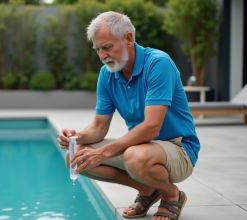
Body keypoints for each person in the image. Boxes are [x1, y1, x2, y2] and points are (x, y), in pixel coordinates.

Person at [57, 11, 200, 220]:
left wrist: (104, 152)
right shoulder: (107, 74)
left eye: (107, 47)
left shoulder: (158, 64)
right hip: (141, 148)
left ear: (128, 39)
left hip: (179, 148)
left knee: (134, 156)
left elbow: (152, 127)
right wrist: (77, 137)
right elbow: (99, 127)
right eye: (98, 49)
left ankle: (172, 195)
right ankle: (147, 189)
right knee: (76, 157)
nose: (102, 56)